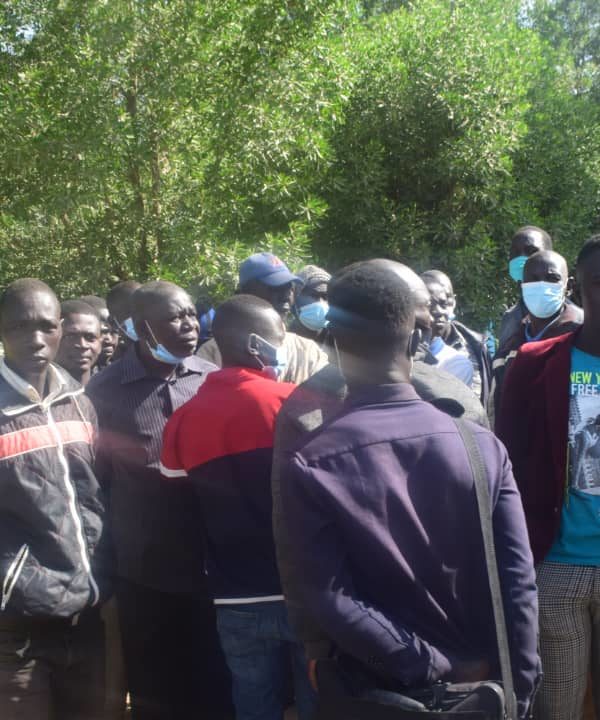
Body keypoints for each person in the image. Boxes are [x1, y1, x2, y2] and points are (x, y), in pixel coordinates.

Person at [279, 261, 540, 719]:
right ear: (418, 338)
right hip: (479, 688)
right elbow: (517, 579)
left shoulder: (312, 458)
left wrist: (424, 666)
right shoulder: (480, 444)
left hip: (376, 689)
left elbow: (329, 596)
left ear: (334, 340)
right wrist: (519, 683)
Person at [161, 295, 315, 720]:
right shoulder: (295, 403)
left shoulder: (183, 419)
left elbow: (179, 507)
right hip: (304, 590)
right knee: (317, 696)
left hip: (234, 596)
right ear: (255, 345)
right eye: (278, 340)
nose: (283, 351)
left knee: (252, 700)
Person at [87, 281, 230, 720]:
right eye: (174, 316)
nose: (189, 324)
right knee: (156, 689)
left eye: (191, 313)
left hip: (211, 566)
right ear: (141, 328)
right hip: (143, 571)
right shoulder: (104, 391)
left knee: (215, 682)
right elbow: (97, 481)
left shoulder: (210, 380)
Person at [496, 235, 600, 720]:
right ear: (580, 285)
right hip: (556, 564)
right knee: (556, 706)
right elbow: (506, 468)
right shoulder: (536, 365)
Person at [0, 278, 110, 719]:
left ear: (61, 328)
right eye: (20, 326)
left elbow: (94, 499)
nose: (36, 339)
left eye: (47, 326)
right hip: (17, 629)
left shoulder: (79, 403)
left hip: (86, 615)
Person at [197, 252, 328, 384]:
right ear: (243, 295)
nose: (286, 296)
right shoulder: (212, 352)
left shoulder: (308, 352)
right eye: (275, 288)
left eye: (290, 288)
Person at [491, 250, 582, 426]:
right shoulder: (511, 342)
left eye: (552, 278)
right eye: (533, 278)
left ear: (568, 286)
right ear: (521, 286)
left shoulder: (584, 336)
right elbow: (497, 408)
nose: (542, 285)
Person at [422, 269, 491, 402]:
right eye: (430, 303)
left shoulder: (477, 345)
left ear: (453, 301)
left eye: (444, 300)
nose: (438, 311)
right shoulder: (404, 346)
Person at [498, 226, 553, 347]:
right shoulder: (509, 318)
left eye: (531, 251)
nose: (521, 259)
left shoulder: (574, 317)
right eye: (515, 253)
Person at [420, 271, 475, 389]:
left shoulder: (457, 362)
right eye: (429, 305)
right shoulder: (394, 350)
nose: (439, 311)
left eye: (443, 304)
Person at [56, 299, 102, 387]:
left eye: (90, 337)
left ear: (100, 343)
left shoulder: (111, 389)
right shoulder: (37, 395)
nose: (82, 345)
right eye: (71, 336)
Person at [290, 264, 332, 346]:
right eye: (314, 296)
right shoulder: (279, 340)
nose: (321, 302)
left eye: (325, 297)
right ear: (296, 296)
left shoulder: (337, 344)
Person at [106, 280, 142, 358]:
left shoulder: (170, 354)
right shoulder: (116, 368)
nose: (142, 317)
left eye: (146, 308)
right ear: (113, 323)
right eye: (132, 312)